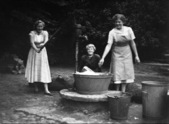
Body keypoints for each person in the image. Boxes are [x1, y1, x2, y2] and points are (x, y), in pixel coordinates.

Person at [99, 14, 140, 92]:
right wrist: (103, 57)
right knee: (117, 72)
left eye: (119, 22)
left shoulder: (129, 29)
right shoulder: (112, 32)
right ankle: (117, 91)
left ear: (123, 22)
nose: (117, 23)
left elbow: (132, 43)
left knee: (125, 72)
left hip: (127, 52)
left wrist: (136, 55)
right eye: (116, 22)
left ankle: (123, 92)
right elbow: (109, 45)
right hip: (116, 53)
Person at [25, 20, 52, 96]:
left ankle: (46, 89)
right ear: (35, 26)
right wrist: (36, 49)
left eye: (41, 26)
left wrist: (42, 45)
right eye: (38, 26)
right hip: (34, 52)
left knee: (43, 68)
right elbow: (32, 43)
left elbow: (46, 41)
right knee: (35, 67)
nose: (40, 28)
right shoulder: (32, 33)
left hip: (42, 52)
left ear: (43, 27)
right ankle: (36, 87)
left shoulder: (45, 33)